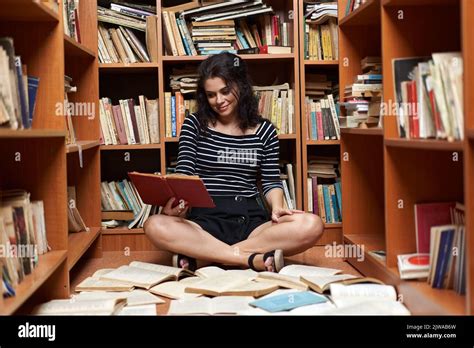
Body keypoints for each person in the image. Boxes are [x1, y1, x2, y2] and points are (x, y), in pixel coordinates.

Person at [144, 52, 323, 272]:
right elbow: (184, 174)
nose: (219, 101)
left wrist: (277, 207)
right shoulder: (193, 125)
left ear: (240, 85)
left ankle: (206, 257)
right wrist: (176, 206)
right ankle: (249, 259)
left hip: (250, 220)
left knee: (311, 225)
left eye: (225, 91)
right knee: (155, 225)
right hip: (203, 220)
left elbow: (270, 181)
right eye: (211, 95)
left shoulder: (265, 130)